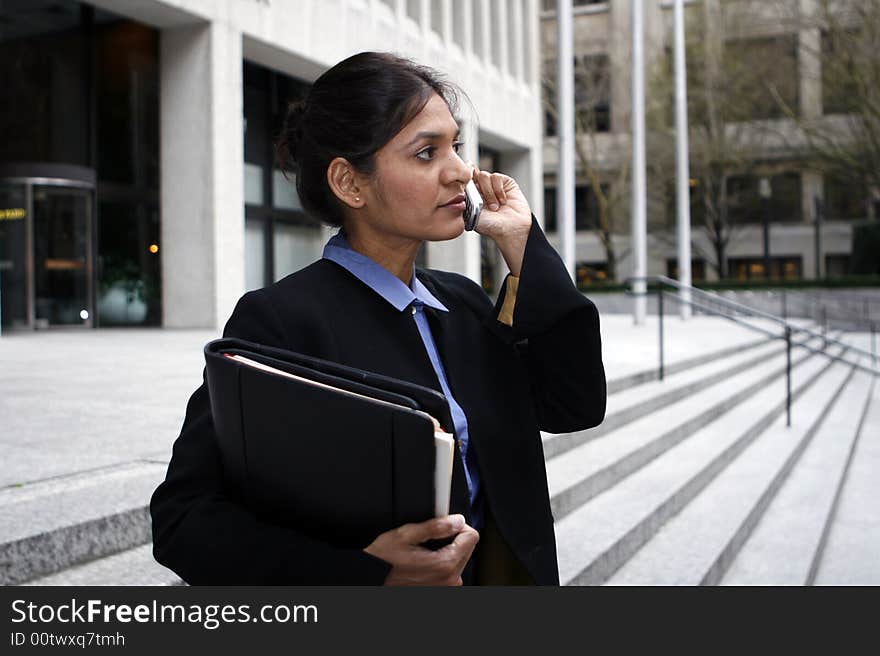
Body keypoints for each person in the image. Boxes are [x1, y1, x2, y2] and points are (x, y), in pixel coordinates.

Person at [150, 51, 606, 586]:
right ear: (350, 183)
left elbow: (574, 404)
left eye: (454, 146)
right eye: (425, 152)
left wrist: (524, 245)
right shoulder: (281, 322)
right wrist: (366, 574)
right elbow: (184, 517)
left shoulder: (462, 304)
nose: (461, 171)